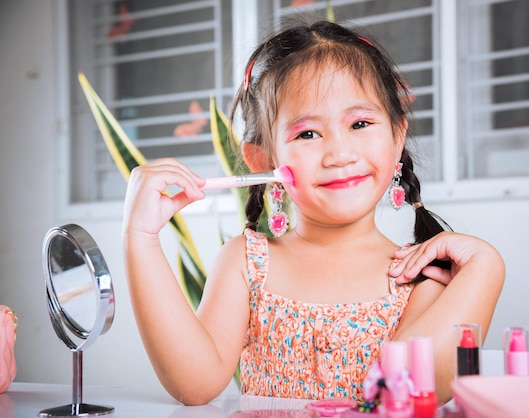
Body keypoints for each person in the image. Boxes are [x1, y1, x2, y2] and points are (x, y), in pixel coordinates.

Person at [122, 20, 505, 406]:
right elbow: (194, 384)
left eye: (360, 123)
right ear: (264, 161)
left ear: (396, 137)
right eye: (307, 134)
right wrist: (140, 238)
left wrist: (486, 265)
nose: (339, 154)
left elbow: (413, 388)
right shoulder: (246, 262)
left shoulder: (418, 275)